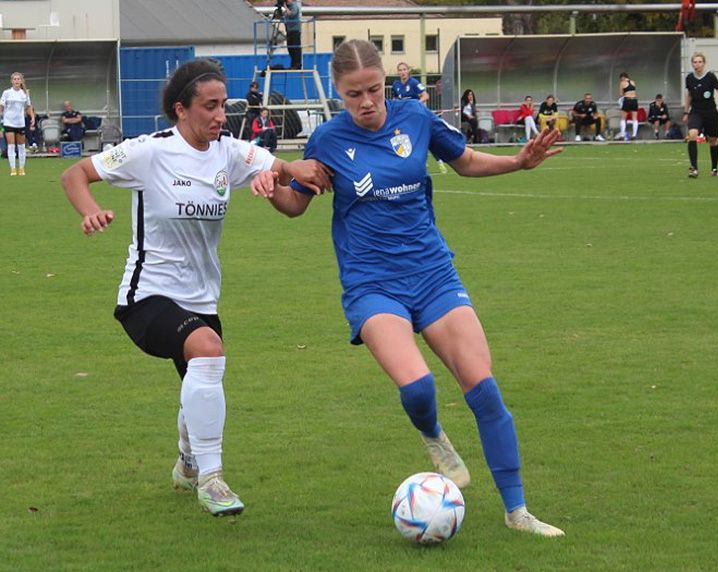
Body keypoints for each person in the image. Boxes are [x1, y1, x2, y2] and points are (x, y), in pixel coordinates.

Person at [252, 38, 566, 538]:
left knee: (484, 390)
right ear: (337, 91)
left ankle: (518, 512)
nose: (367, 102)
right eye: (354, 94)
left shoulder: (415, 118)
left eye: (374, 89)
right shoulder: (328, 141)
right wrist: (272, 188)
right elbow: (295, 204)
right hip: (372, 284)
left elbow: (463, 160)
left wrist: (517, 163)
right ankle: (432, 433)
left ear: (386, 83)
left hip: (433, 274)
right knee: (418, 387)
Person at [60, 59, 330, 517]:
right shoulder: (150, 151)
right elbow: (75, 175)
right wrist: (89, 210)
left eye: (224, 105)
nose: (221, 115)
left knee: (201, 382)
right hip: (146, 297)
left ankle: (187, 461)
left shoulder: (230, 153)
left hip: (202, 299)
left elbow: (289, 199)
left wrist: (303, 178)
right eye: (210, 106)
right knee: (207, 351)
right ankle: (212, 479)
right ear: (181, 109)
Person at [391, 62, 447, 173]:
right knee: (407, 139)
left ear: (408, 71)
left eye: (404, 69)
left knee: (426, 138)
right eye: (400, 70)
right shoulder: (396, 85)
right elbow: (395, 99)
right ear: (398, 72)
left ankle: (439, 162)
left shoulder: (413, 83)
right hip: (404, 117)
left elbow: (426, 95)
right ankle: (418, 163)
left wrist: (415, 104)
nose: (402, 72)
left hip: (417, 116)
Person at [683, 52, 718, 178]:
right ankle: (694, 168)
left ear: (704, 63)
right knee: (692, 134)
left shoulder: (710, 77)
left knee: (713, 140)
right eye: (694, 62)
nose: (697, 64)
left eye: (699, 62)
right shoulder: (689, 78)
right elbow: (689, 96)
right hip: (696, 112)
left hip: (710, 112)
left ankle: (714, 168)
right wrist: (686, 112)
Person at [1, 72, 34, 176]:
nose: (16, 81)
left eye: (18, 79)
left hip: (20, 123)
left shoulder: (24, 93)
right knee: (11, 146)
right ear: (12, 81)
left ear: (21, 81)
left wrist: (32, 117)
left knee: (21, 146)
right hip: (9, 122)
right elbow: (1, 106)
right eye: (14, 79)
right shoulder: (6, 93)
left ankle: (21, 168)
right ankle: (13, 169)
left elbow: (28, 107)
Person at [618, 72, 639, 141]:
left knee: (623, 118)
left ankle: (622, 135)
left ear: (622, 77)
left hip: (627, 100)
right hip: (634, 100)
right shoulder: (633, 82)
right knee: (634, 118)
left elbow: (621, 94)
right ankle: (634, 135)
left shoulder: (622, 83)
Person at [283, 0, 302, 70]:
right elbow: (285, 18)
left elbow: (292, 14)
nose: (286, 1)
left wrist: (285, 8)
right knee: (290, 48)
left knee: (295, 48)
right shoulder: (288, 8)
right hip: (289, 31)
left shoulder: (294, 6)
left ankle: (297, 65)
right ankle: (293, 64)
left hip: (295, 31)